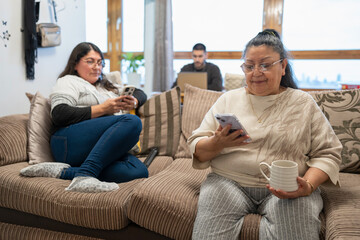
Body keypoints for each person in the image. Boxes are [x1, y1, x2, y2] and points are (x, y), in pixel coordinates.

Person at [188, 29, 342, 239]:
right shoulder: (228, 99)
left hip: (288, 186)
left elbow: (328, 153)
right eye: (249, 66)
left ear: (283, 66)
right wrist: (217, 142)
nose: (256, 72)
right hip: (227, 181)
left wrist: (307, 186)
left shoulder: (303, 102)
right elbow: (197, 146)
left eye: (265, 65)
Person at [20, 42, 149, 193]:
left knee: (138, 171)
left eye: (100, 62)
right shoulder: (68, 81)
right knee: (132, 122)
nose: (97, 67)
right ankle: (85, 175)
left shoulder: (106, 86)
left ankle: (65, 172)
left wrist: (135, 100)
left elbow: (140, 92)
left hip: (94, 147)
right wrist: (102, 109)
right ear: (75, 64)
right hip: (68, 142)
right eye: (90, 61)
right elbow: (59, 114)